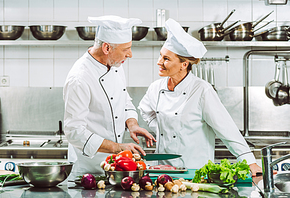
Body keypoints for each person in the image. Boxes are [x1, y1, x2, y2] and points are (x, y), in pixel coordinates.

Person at [138, 18, 262, 176]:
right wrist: (162, 129)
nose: (159, 62)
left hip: (195, 171)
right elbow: (145, 111)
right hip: (162, 171)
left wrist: (248, 160)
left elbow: (225, 127)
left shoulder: (202, 90)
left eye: (166, 59)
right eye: (161, 56)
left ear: (184, 64)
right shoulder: (156, 87)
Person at [63, 15, 156, 179]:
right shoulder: (79, 78)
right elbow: (74, 132)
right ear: (107, 48)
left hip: (114, 167)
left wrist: (132, 124)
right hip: (88, 169)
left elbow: (123, 99)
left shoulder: (115, 64)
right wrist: (118, 148)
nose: (130, 55)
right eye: (126, 49)